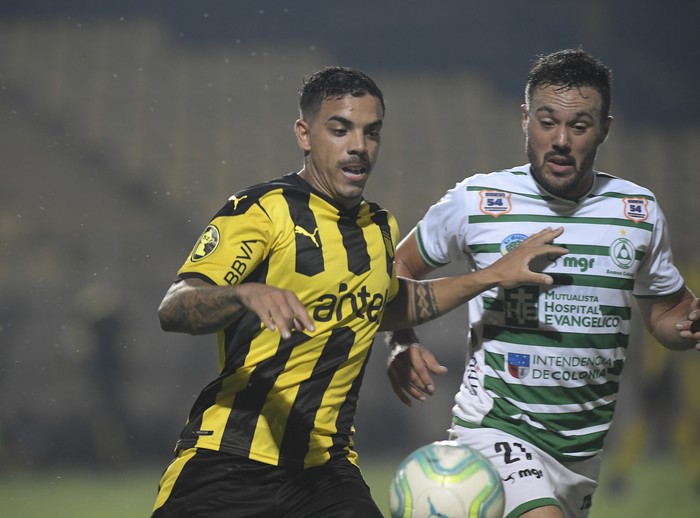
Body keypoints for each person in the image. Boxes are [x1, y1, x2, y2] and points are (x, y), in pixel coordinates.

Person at [151, 66, 567, 518]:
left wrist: (488, 277)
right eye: (340, 129)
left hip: (326, 472)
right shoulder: (262, 210)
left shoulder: (379, 227)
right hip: (228, 461)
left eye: (372, 133)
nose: (358, 146)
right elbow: (175, 307)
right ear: (305, 135)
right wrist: (243, 295)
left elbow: (389, 304)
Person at [386, 48, 700, 518]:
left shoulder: (637, 211)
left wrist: (691, 324)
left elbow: (667, 313)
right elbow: (396, 269)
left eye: (579, 126)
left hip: (583, 447)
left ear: (605, 130)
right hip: (498, 427)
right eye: (546, 121)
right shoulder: (478, 201)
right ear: (524, 119)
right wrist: (398, 340)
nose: (560, 140)